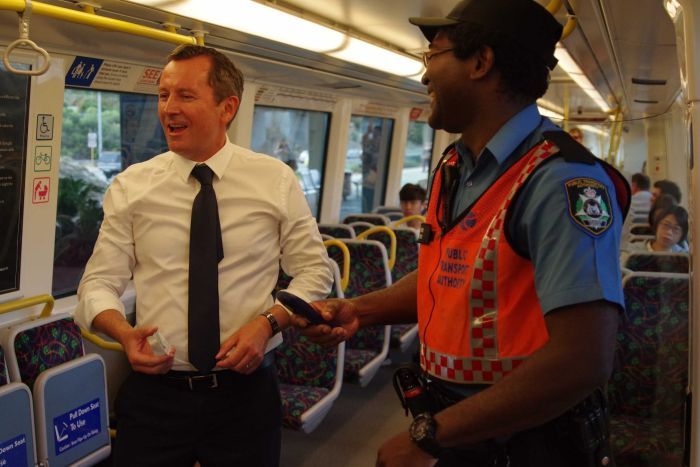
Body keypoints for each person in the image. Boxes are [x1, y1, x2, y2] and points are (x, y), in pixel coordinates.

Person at [297, 1, 630, 466]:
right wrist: (358, 310)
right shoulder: (455, 167)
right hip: (459, 422)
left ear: (481, 62)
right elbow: (448, 279)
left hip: (527, 436)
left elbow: (583, 359)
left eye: (433, 56)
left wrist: (428, 437)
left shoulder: (562, 182)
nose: (425, 76)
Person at [74, 45, 333, 467]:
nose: (168, 109)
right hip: (156, 393)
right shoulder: (131, 187)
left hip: (245, 395)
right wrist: (123, 332)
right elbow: (98, 283)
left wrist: (267, 324)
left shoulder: (274, 180)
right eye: (163, 95)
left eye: (186, 96)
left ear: (226, 107)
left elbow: (313, 271)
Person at [622, 205, 688, 259]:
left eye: (676, 229)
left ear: (682, 236)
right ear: (657, 226)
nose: (669, 232)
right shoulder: (632, 251)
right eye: (666, 225)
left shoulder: (684, 258)